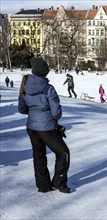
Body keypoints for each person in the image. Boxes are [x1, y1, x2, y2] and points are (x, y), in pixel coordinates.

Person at [18, 57, 71, 193]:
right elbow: (56, 113)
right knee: (63, 153)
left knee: (39, 154)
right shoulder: (48, 88)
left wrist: (34, 109)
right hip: (46, 128)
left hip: (31, 127)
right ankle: (59, 182)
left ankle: (43, 185)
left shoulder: (25, 85)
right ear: (45, 73)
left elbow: (22, 109)